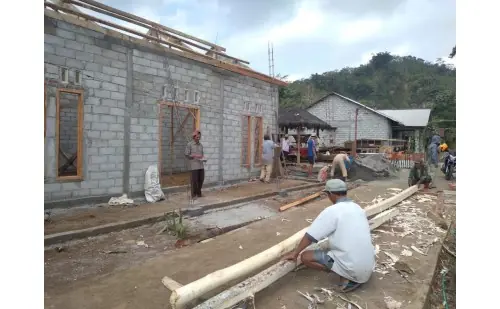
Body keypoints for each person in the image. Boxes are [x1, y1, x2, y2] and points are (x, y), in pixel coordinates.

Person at [282, 179, 375, 292]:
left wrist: (295, 254)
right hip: (368, 266)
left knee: (305, 257)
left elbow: (310, 236)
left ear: (330, 194)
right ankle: (349, 273)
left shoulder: (332, 211)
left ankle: (347, 277)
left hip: (353, 269)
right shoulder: (357, 208)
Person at [185, 130, 205, 199]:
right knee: (194, 181)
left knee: (201, 179)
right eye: (197, 137)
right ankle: (193, 195)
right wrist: (194, 156)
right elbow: (186, 154)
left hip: (201, 165)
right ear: (194, 137)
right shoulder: (189, 144)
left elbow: (202, 155)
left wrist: (204, 158)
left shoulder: (201, 145)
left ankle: (198, 193)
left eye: (199, 137)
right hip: (194, 165)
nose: (198, 138)